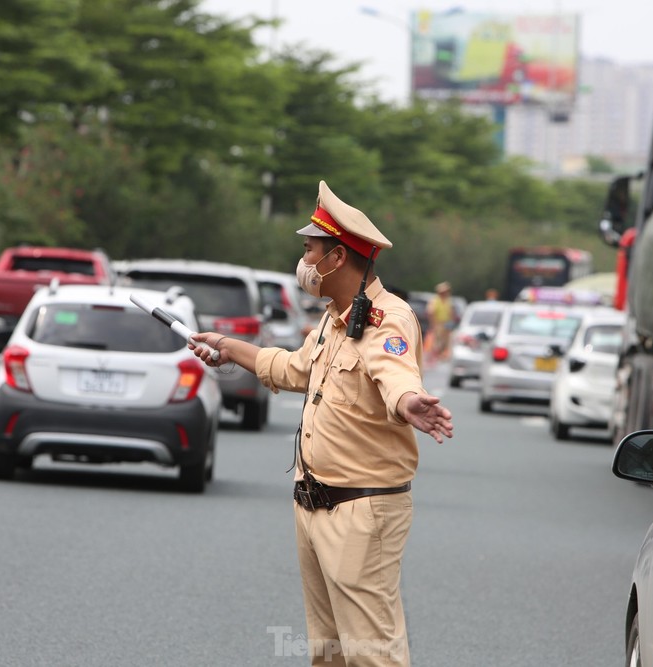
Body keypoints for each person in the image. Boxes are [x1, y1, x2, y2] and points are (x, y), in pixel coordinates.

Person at [190, 180, 453, 666]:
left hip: (360, 509)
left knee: (372, 653)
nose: (304, 260)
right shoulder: (335, 318)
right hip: (314, 503)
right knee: (328, 652)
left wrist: (409, 401)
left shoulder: (385, 319)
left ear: (337, 259)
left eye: (311, 250)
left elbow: (394, 372)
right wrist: (230, 348)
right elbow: (295, 368)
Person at [425, 281, 457, 362]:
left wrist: (452, 321)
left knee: (445, 341)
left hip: (446, 324)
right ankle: (435, 355)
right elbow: (430, 312)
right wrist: (433, 323)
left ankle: (442, 355)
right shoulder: (435, 300)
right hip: (438, 323)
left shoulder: (448, 300)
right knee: (437, 341)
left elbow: (451, 312)